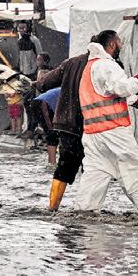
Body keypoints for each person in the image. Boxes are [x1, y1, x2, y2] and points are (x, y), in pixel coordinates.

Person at [74, 30, 138, 217]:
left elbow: (111, 97)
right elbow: (124, 89)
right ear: (111, 44)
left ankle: (84, 212)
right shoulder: (106, 65)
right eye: (120, 42)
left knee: (96, 173)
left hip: (93, 134)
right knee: (134, 167)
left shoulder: (90, 67)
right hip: (113, 131)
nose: (122, 46)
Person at [37, 45, 90, 212]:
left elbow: (44, 82)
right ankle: (84, 208)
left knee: (64, 166)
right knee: (93, 168)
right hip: (90, 125)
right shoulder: (105, 65)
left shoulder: (71, 63)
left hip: (66, 124)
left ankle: (53, 208)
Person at [17, 22, 44, 135]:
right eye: (20, 28)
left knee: (33, 102)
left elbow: (40, 57)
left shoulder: (34, 40)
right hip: (24, 75)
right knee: (26, 103)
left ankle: (34, 127)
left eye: (23, 28)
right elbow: (20, 58)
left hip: (33, 76)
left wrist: (38, 74)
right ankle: (29, 127)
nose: (22, 30)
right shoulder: (19, 41)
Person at [34, 87, 61, 167]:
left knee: (53, 133)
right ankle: (52, 164)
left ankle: (52, 162)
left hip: (41, 103)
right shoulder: (74, 92)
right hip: (43, 103)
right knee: (52, 133)